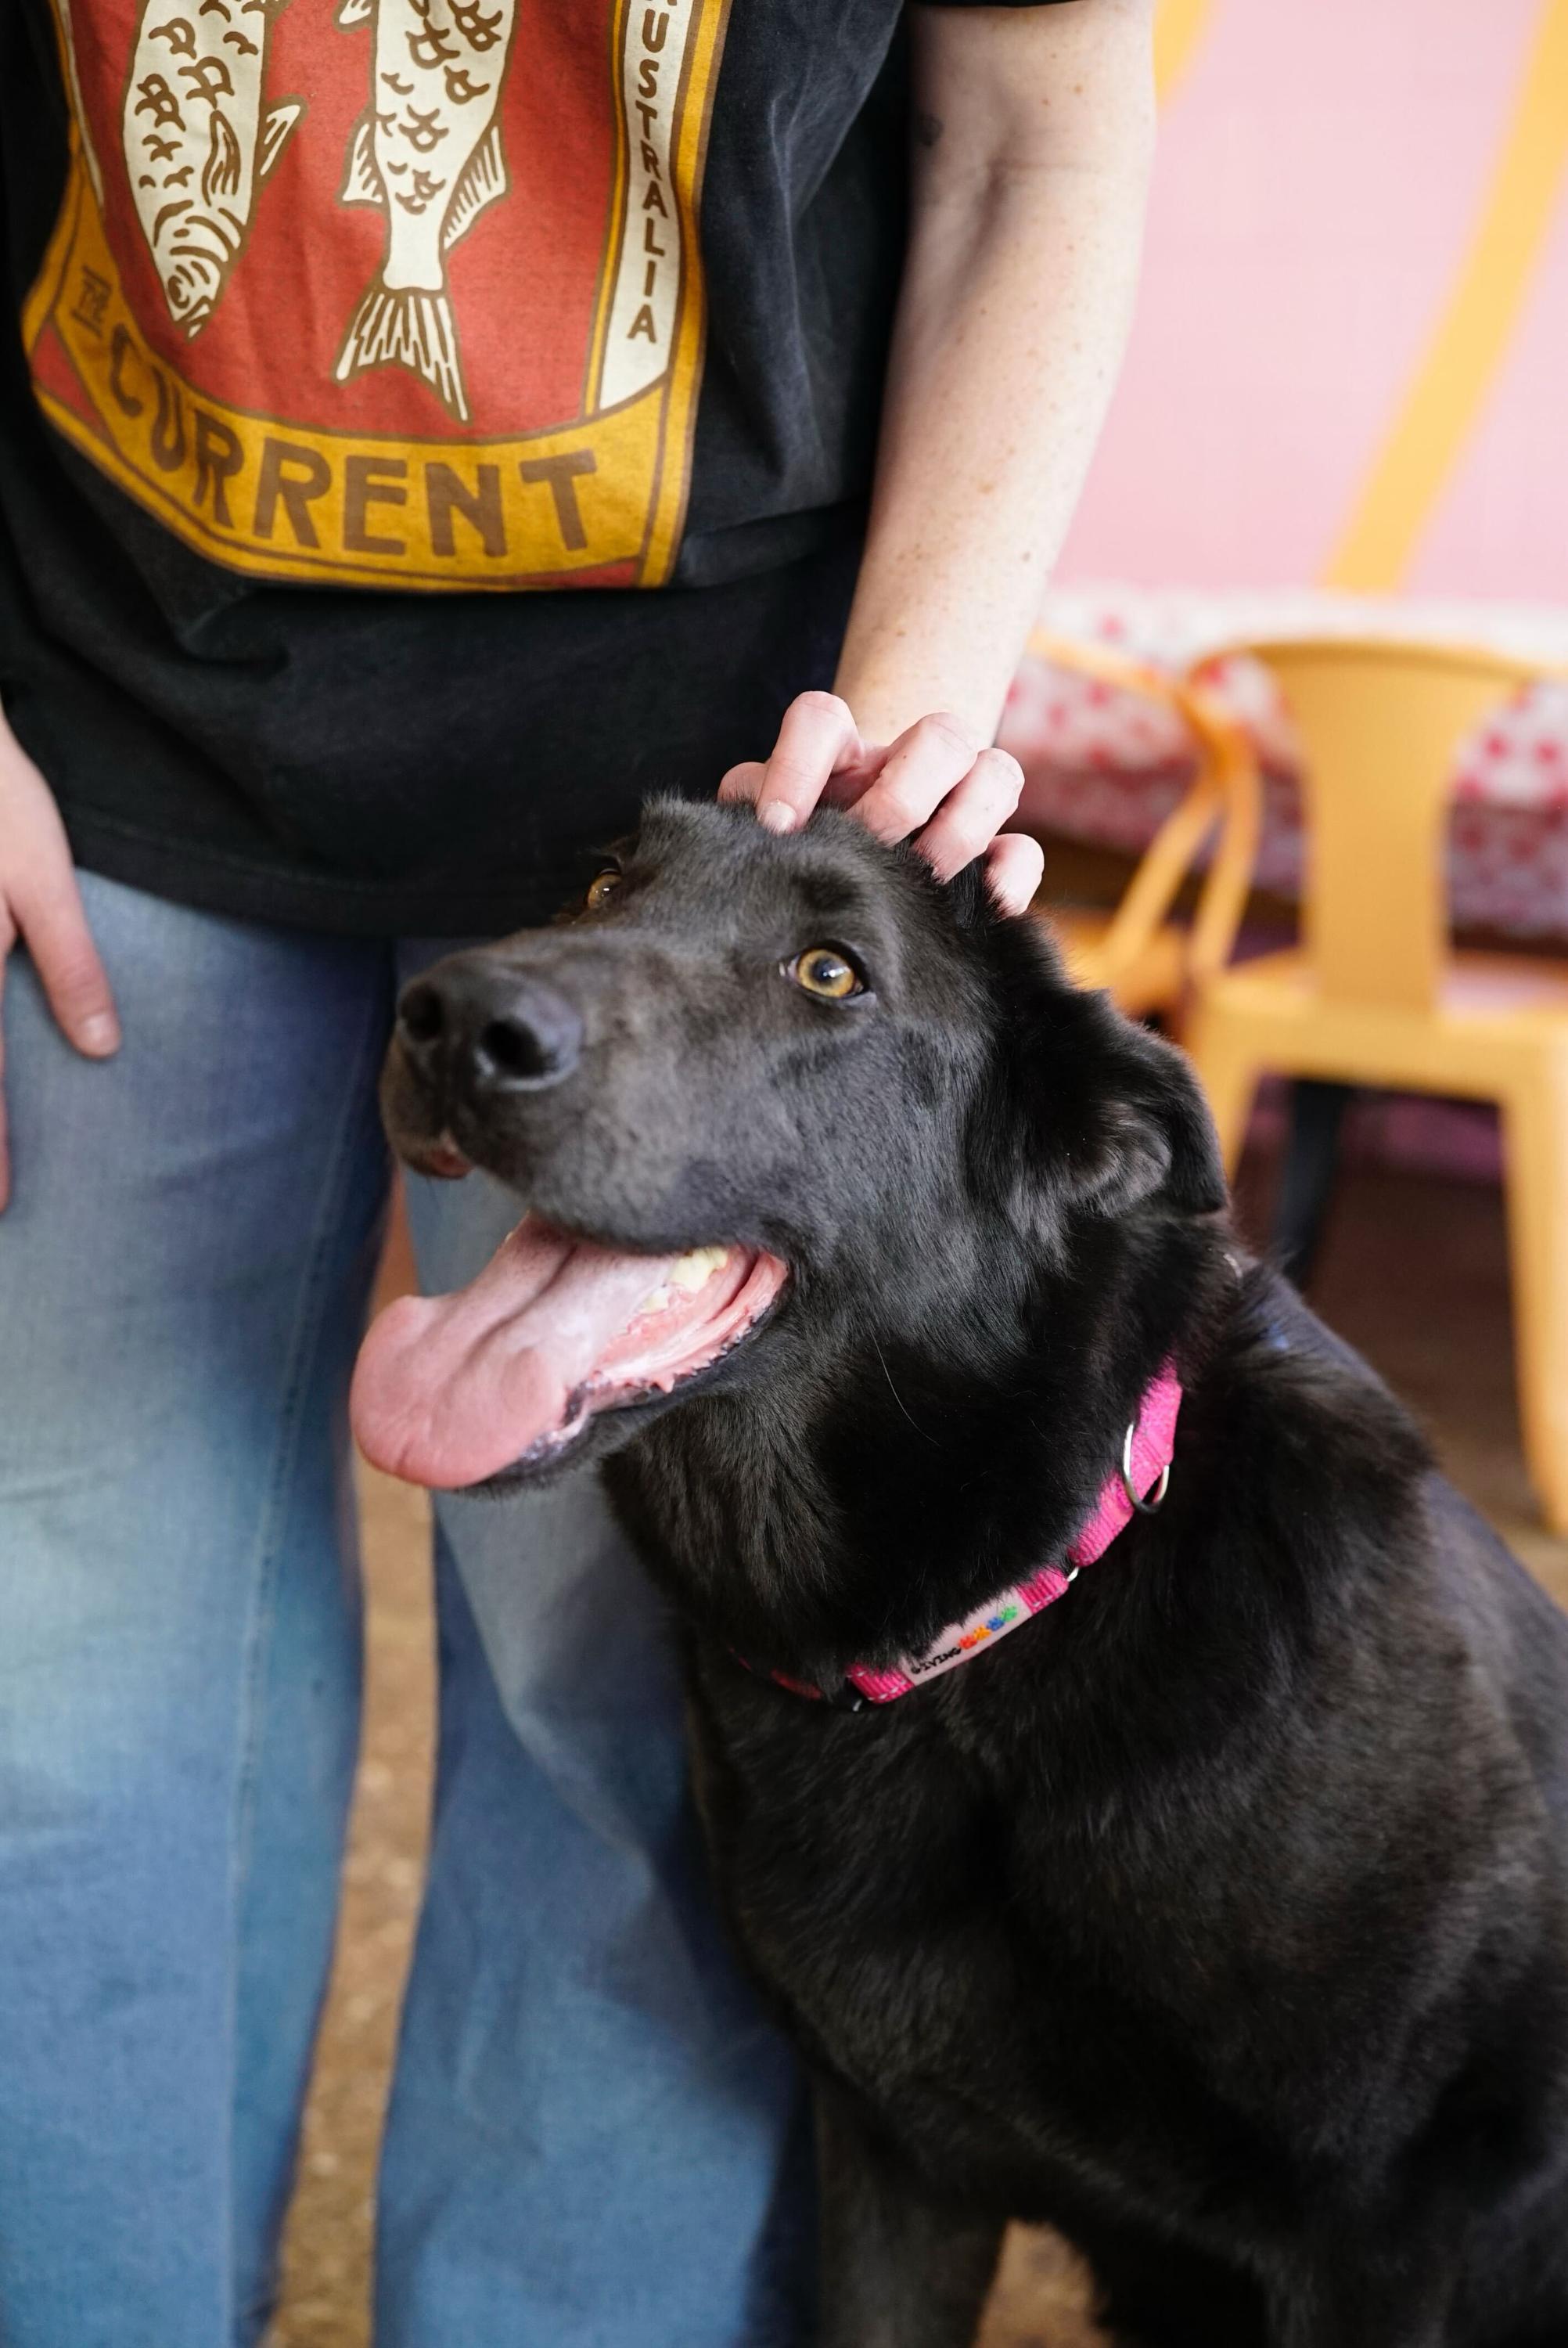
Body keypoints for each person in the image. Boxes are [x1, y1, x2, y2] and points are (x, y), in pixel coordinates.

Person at [0, 0, 1156, 2339]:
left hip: (715, 794)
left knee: (629, 1718)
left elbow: (1035, 129)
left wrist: (876, 781)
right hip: (90, 703)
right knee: (60, 1677)